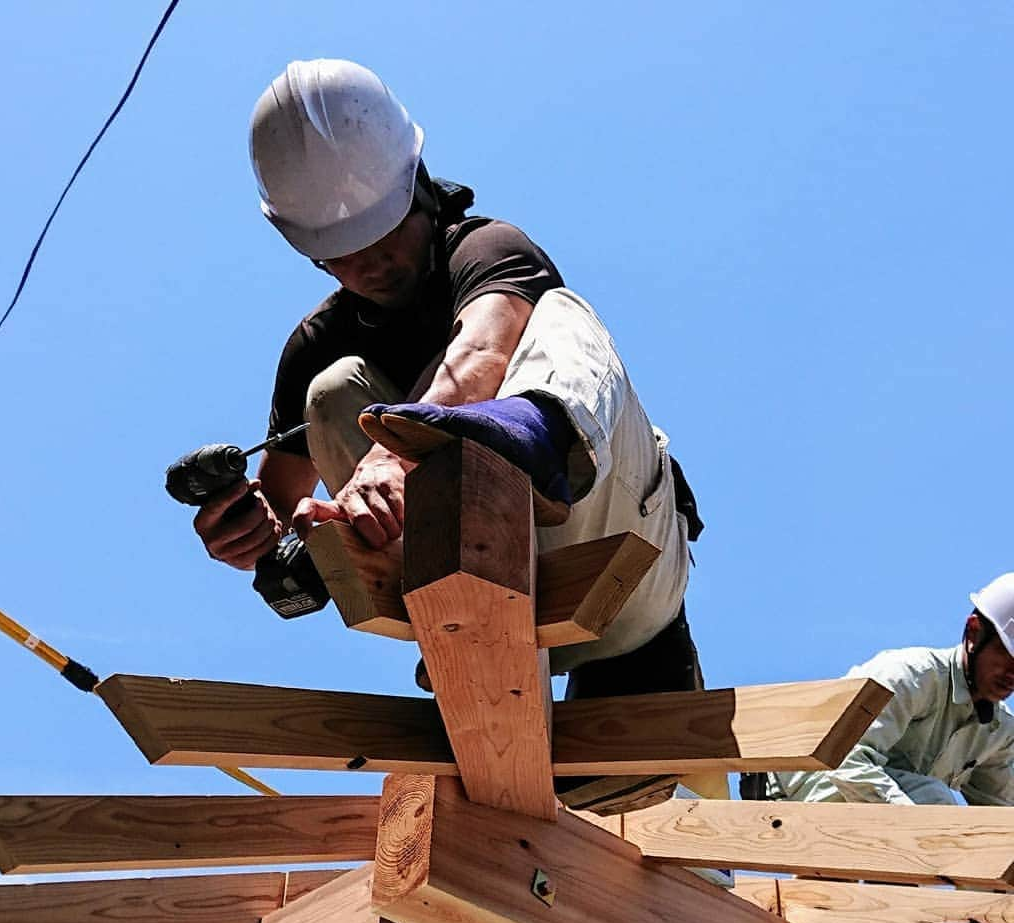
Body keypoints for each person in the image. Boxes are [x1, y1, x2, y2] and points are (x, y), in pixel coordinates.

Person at [192, 58, 704, 813]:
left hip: (612, 546)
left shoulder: (490, 248)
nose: (369, 265)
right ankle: (454, 603)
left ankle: (535, 425)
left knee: (557, 313)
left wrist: (397, 455)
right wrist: (254, 538)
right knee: (333, 392)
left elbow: (480, 354)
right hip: (494, 592)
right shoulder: (317, 341)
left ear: (419, 189)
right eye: (340, 252)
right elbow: (281, 503)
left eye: (386, 234)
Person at [763, 574, 1014, 805]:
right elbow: (843, 760)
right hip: (804, 792)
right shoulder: (913, 676)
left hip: (868, 815)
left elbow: (1003, 814)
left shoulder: (1000, 732)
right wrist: (912, 821)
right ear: (973, 632)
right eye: (1008, 656)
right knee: (934, 802)